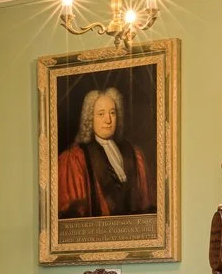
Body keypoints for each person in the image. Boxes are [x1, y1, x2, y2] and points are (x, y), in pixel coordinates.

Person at [57, 85, 155, 218]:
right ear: (90, 118)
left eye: (112, 113)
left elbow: (145, 203)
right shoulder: (76, 158)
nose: (108, 120)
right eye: (101, 114)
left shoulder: (132, 153)